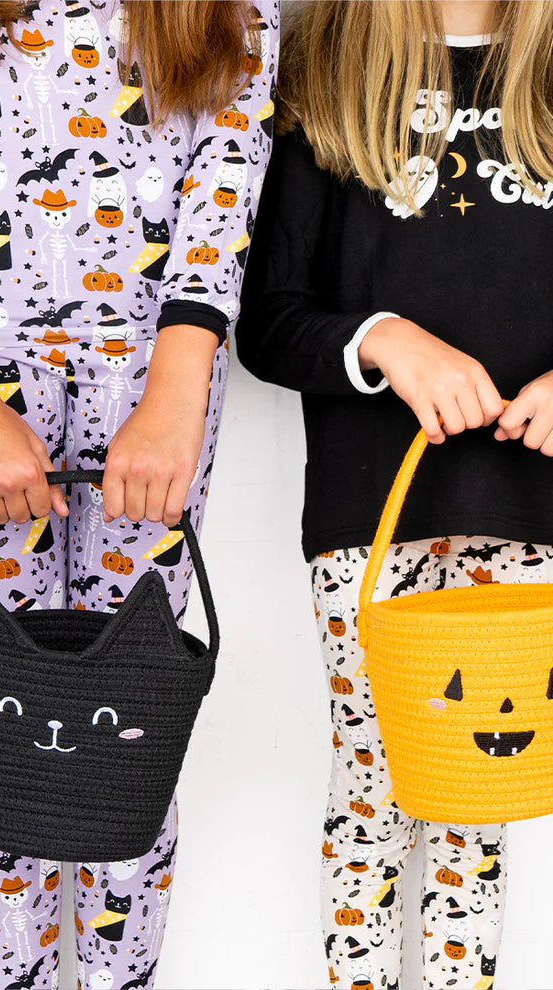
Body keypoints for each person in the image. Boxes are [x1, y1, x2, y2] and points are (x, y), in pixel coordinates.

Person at [0, 0, 276, 983]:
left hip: (158, 363)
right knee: (3, 719)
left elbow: (233, 148)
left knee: (132, 718)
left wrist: (181, 376)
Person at [236, 1, 553, 985]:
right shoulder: (323, 71)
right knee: (373, 794)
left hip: (528, 514)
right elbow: (267, 321)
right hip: (370, 518)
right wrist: (383, 339)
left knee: (474, 805)